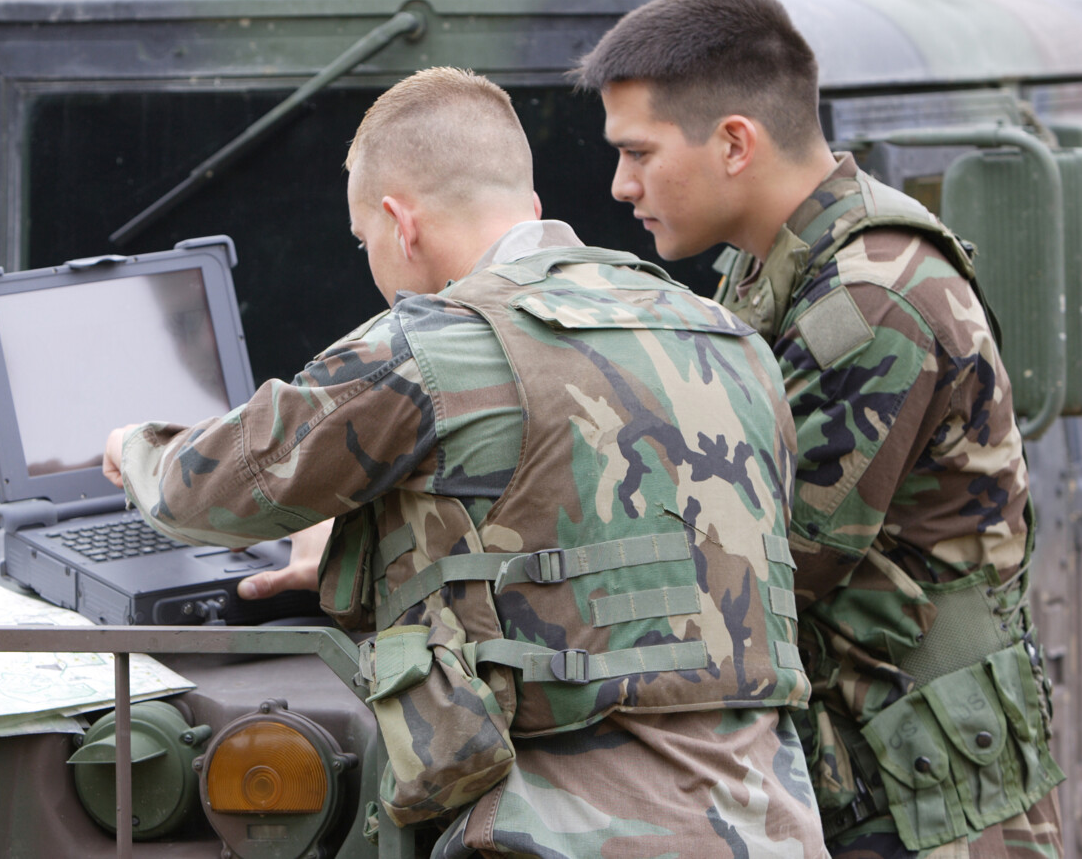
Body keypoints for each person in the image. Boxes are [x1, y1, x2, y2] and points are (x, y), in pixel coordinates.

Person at [103, 66, 826, 857]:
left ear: (398, 223)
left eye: (363, 241)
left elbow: (206, 492)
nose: (371, 261)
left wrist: (133, 447)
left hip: (561, 834)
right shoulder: (729, 337)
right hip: (769, 826)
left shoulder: (431, 345)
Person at [574, 0, 1064, 859]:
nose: (621, 184)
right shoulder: (776, 268)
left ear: (734, 143)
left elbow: (767, 567)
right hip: (863, 770)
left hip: (925, 803)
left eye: (639, 152)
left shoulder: (871, 301)